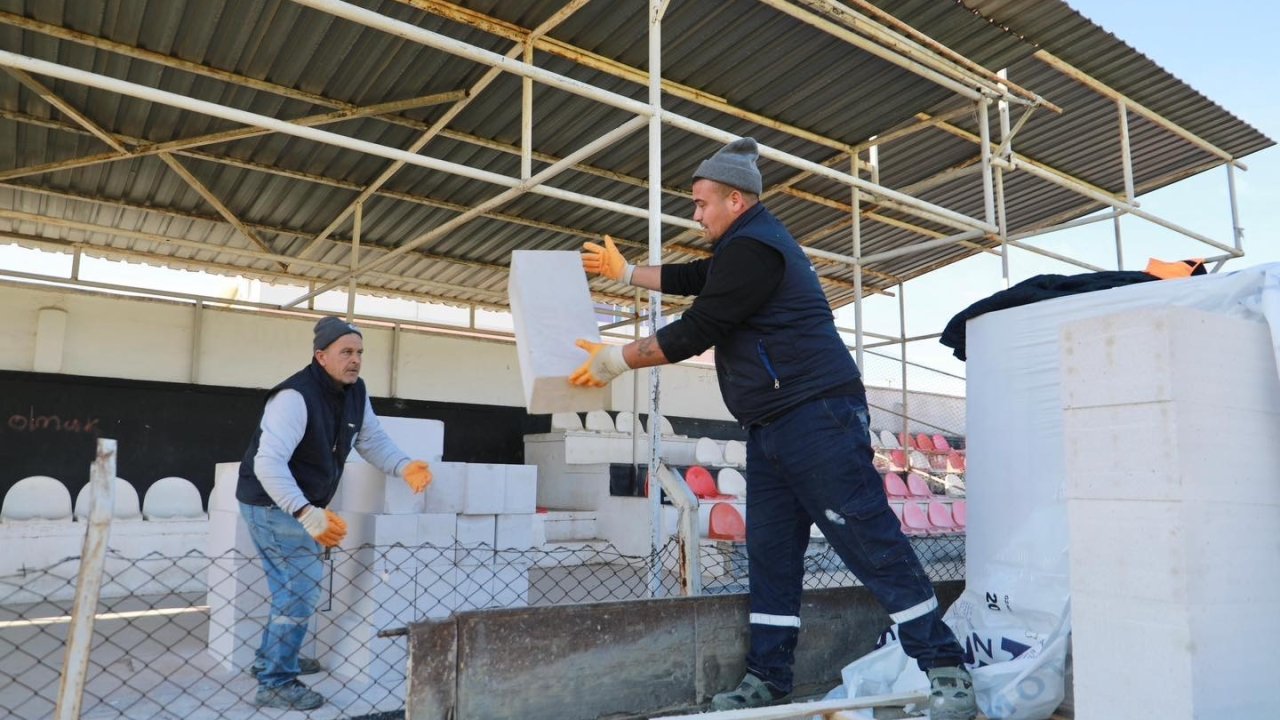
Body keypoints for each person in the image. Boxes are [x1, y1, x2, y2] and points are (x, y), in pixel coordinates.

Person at [569, 138, 977, 718]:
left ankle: (947, 673)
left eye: (701, 203)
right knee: (772, 556)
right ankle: (769, 677)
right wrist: (630, 272)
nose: (695, 213)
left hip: (817, 419)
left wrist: (616, 359)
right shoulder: (744, 246)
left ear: (736, 200)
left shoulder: (757, 248)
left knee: (869, 542)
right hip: (771, 426)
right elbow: (695, 276)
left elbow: (697, 328)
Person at [236, 316, 433, 710]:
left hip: (296, 504)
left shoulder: (355, 392)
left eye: (359, 352)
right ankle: (276, 681)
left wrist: (403, 465)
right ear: (321, 356)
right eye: (346, 352)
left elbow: (371, 439)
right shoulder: (294, 396)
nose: (355, 360)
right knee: (300, 591)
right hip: (273, 504)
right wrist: (307, 513)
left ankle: (270, 660)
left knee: (290, 590)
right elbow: (269, 463)